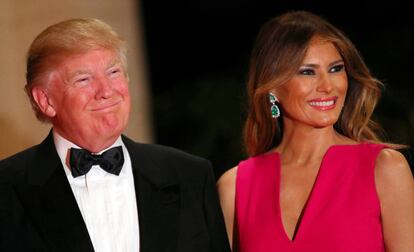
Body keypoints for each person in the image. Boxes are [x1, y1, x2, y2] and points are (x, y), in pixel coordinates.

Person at [0, 18, 230, 252]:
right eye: (83, 79)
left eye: (113, 72)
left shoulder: (190, 176)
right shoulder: (6, 189)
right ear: (46, 100)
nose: (107, 91)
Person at [217, 10, 414, 251]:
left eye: (335, 69)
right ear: (273, 88)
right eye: (307, 72)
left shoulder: (384, 169)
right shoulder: (234, 187)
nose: (327, 85)